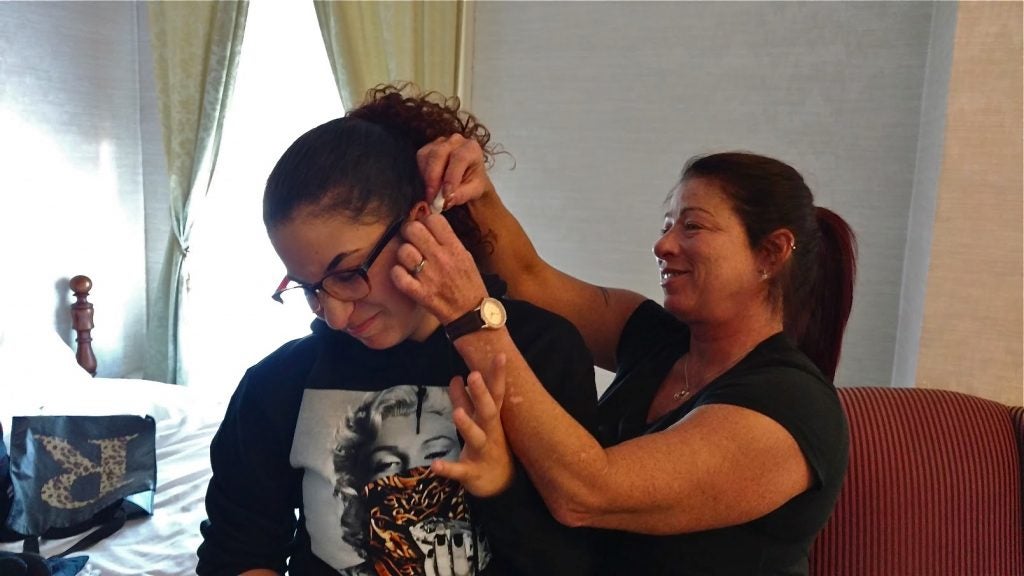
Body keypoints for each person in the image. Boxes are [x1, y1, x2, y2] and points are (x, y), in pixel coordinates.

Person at [394, 142, 857, 575]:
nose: (663, 245)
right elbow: (529, 277)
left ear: (771, 253)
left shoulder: (792, 408)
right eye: (666, 225)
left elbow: (586, 492)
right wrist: (477, 190)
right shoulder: (655, 337)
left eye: (692, 225)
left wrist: (471, 317)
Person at [196, 84, 600, 576]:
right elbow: (237, 552)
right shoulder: (276, 384)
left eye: (348, 274)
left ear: (421, 224)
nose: (336, 316)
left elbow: (578, 557)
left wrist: (500, 487)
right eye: (309, 288)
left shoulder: (539, 352)